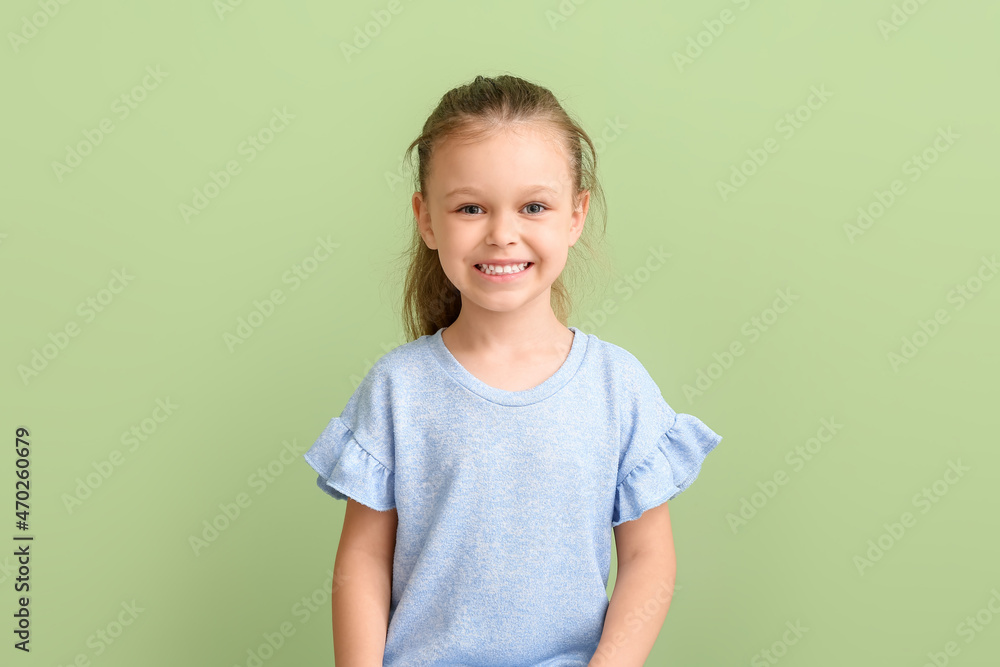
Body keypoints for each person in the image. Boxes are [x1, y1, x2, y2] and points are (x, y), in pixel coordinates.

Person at [303, 73, 723, 666]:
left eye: (533, 206)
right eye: (470, 207)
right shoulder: (398, 389)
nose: (503, 234)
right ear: (426, 219)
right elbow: (363, 561)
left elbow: (650, 558)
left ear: (575, 216)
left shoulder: (617, 386)